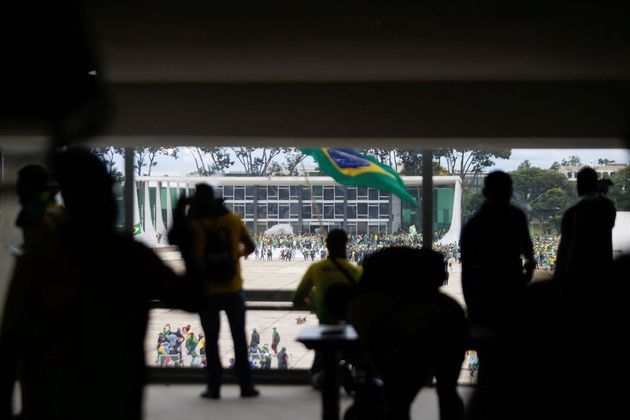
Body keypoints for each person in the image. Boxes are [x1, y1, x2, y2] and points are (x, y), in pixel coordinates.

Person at [0, 148, 195, 420]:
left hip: (49, 404)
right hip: (116, 404)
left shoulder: (38, 259)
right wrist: (188, 246)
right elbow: (194, 299)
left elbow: (9, 345)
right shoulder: (131, 257)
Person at [347, 247, 468, 420]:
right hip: (433, 340)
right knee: (446, 393)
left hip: (401, 354)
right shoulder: (446, 308)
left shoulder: (364, 304)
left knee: (398, 400)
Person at [168, 183, 259, 399]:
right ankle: (246, 386)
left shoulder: (193, 224)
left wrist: (180, 209)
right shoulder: (233, 220)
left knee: (211, 341)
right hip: (233, 288)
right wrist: (232, 257)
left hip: (207, 290)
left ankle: (214, 387)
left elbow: (173, 239)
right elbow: (251, 247)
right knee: (239, 339)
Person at [293, 228, 362, 385]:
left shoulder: (316, 268)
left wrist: (315, 300)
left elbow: (297, 298)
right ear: (346, 246)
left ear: (327, 246)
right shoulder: (356, 271)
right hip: (351, 329)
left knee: (319, 371)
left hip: (325, 329)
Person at [555, 167, 616, 288]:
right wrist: (601, 192)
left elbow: (564, 248)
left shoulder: (572, 212)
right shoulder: (607, 208)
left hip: (577, 273)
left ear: (578, 186)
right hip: (603, 271)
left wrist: (558, 278)